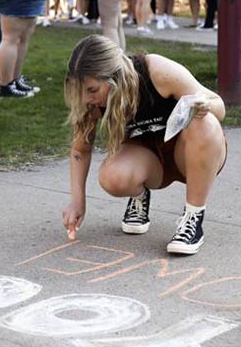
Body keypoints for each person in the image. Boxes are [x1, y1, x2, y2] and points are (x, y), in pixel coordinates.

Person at [62, 34, 227, 255]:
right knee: (113, 177)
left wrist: (204, 106)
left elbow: (220, 106)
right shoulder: (91, 103)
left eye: (92, 90)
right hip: (149, 161)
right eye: (82, 91)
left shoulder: (158, 71)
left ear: (115, 76)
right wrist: (77, 202)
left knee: (203, 121)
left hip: (190, 153)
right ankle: (139, 196)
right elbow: (80, 150)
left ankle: (192, 219)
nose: (87, 99)